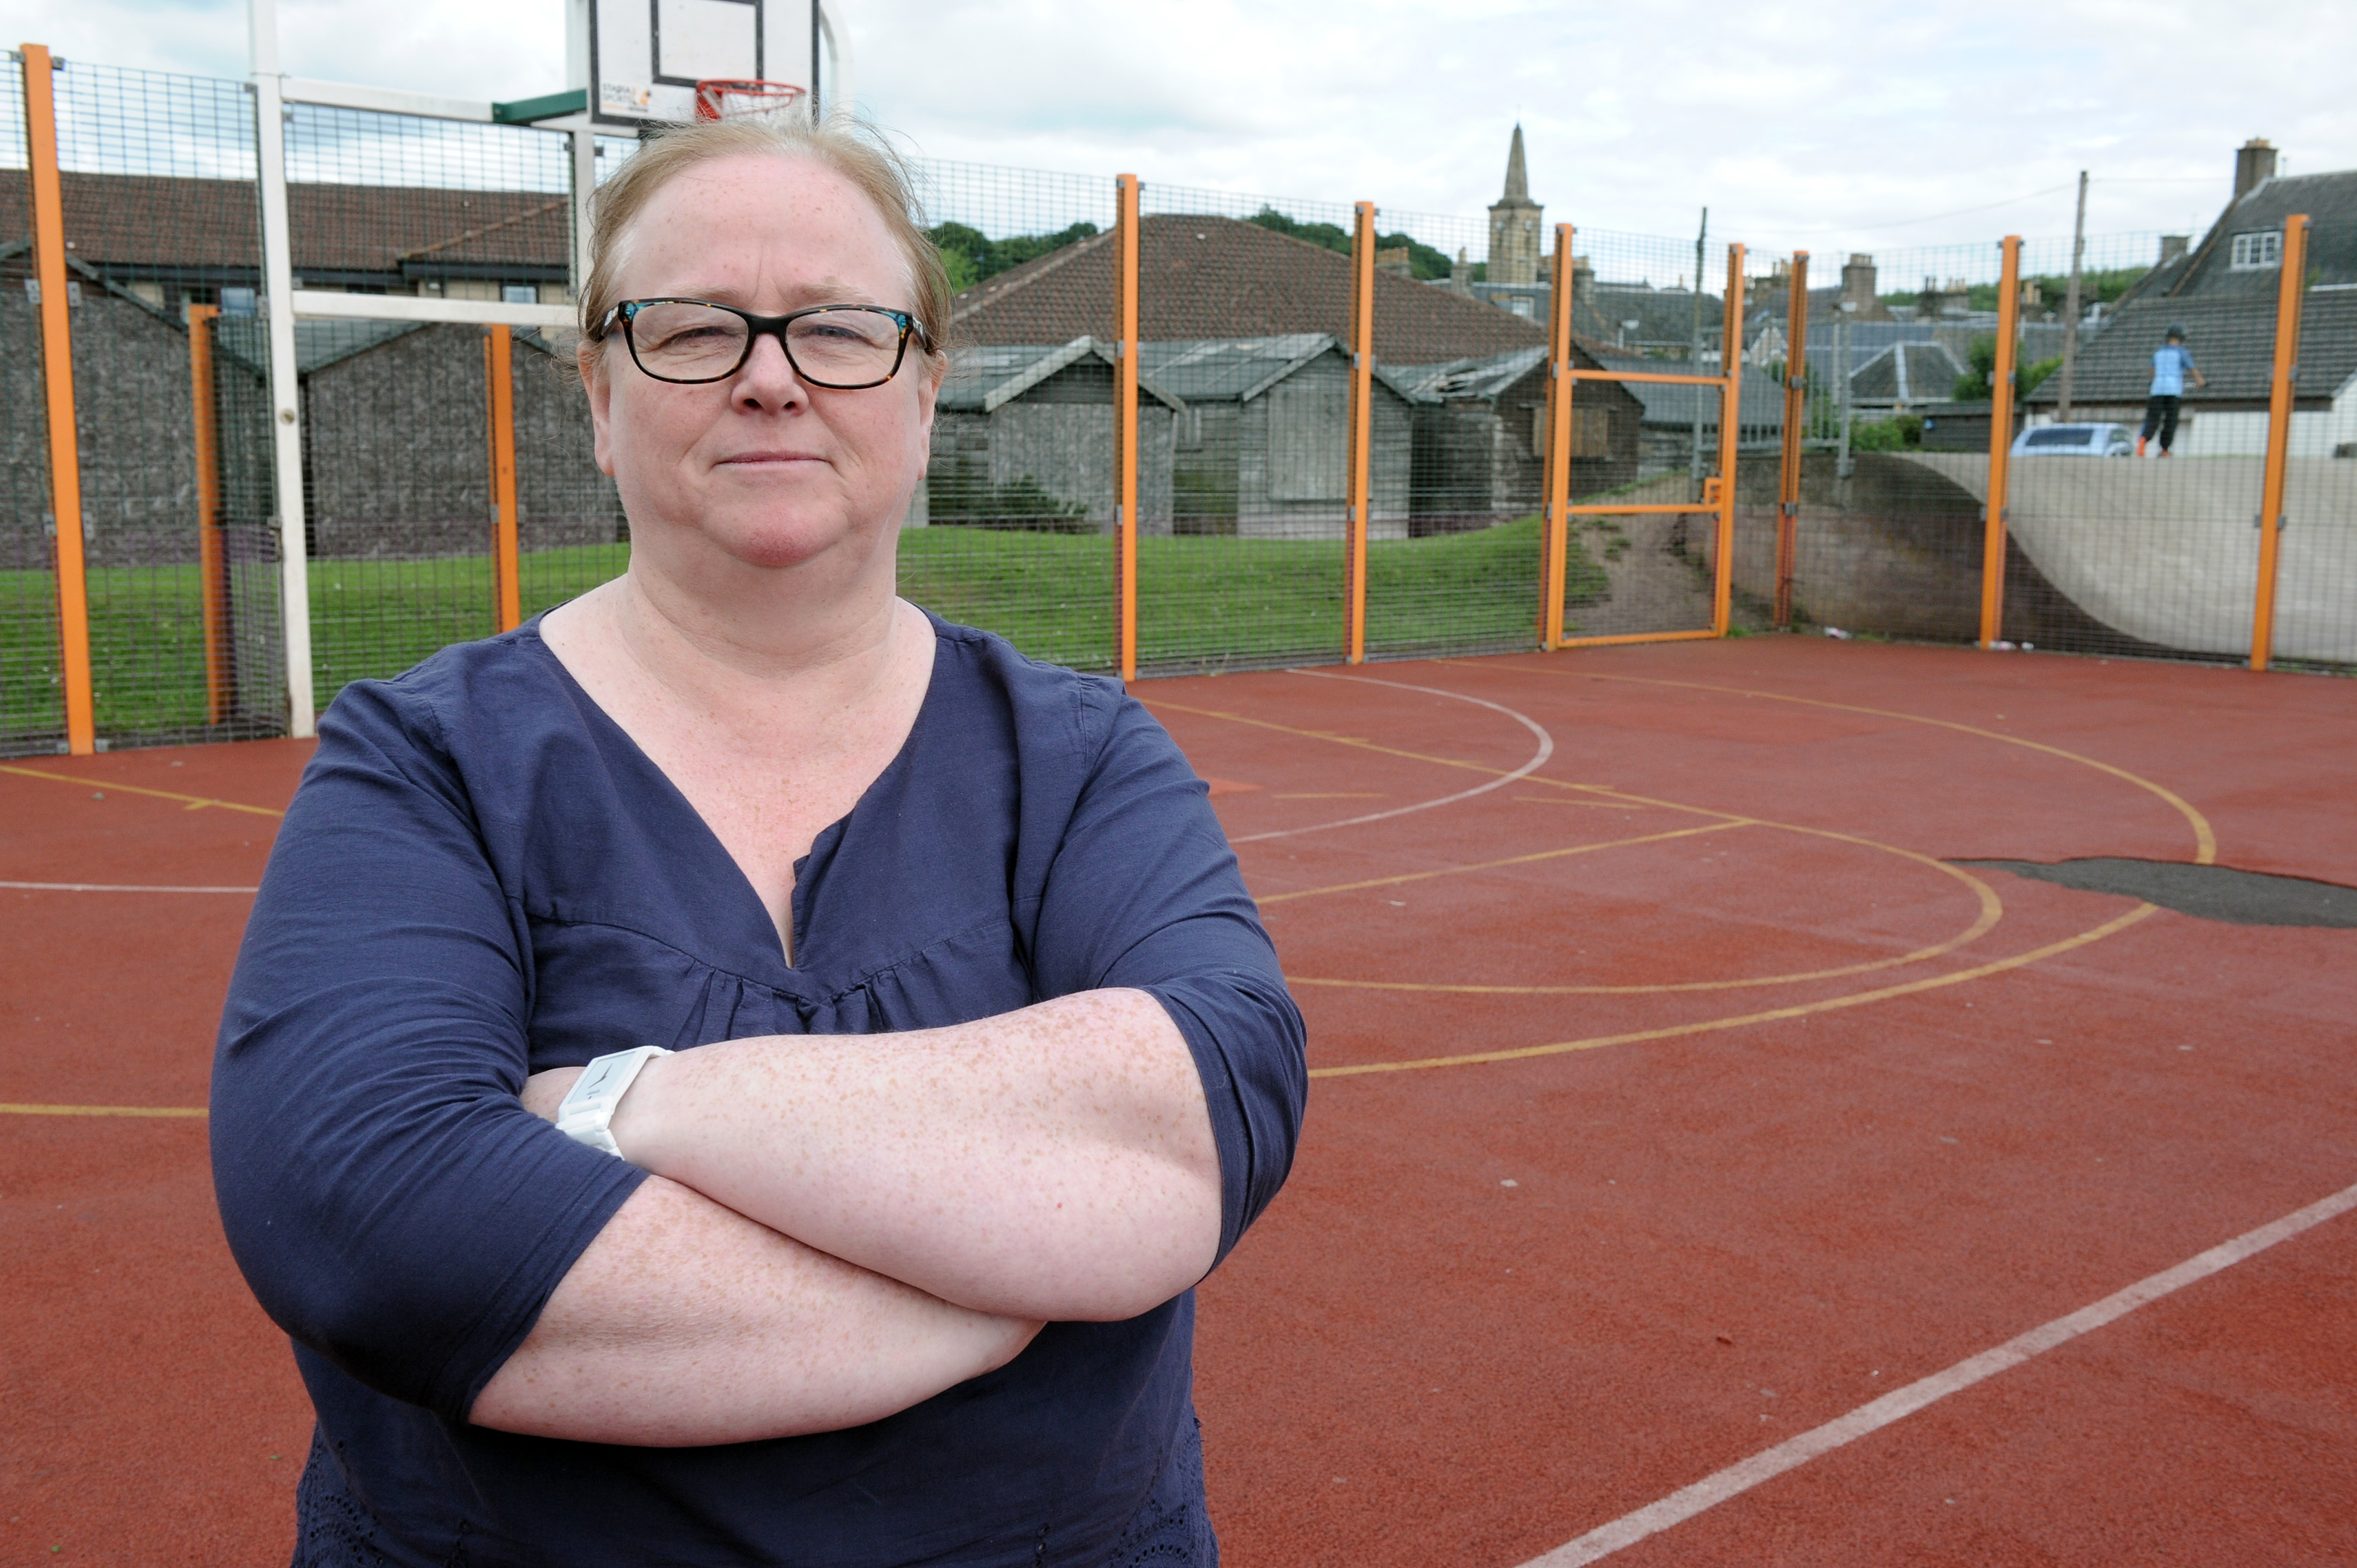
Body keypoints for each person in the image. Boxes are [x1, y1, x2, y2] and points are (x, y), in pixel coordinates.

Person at [210, 114, 1307, 1568]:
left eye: (843, 329)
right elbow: (374, 1229)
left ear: (923, 394)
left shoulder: (1085, 757)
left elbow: (1209, 1111)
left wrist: (617, 1110)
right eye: (689, 329)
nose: (772, 377)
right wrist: (1041, 1257)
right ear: (599, 399)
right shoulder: (426, 763)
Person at [2138, 323, 2205, 456]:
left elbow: (2152, 370)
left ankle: (2143, 440)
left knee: (2152, 418)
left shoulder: (2159, 352)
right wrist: (2200, 381)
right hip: (2173, 390)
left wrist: (2153, 381)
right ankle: (2164, 449)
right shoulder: (2181, 352)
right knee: (2170, 420)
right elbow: (2192, 368)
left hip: (2157, 389)